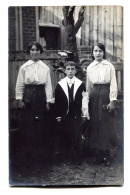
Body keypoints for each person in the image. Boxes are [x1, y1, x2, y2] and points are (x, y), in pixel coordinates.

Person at [15, 42, 53, 169]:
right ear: (29, 52)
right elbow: (20, 84)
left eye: (37, 50)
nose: (35, 52)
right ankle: (28, 158)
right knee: (28, 126)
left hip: (41, 96)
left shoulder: (45, 68)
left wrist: (48, 101)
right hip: (29, 95)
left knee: (40, 126)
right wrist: (20, 99)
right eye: (32, 50)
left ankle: (41, 158)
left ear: (40, 52)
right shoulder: (24, 67)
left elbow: (48, 85)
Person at [86, 43, 118, 166]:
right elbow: (88, 86)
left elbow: (113, 83)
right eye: (95, 51)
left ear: (103, 52)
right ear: (92, 53)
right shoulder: (90, 67)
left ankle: (106, 154)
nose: (98, 53)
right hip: (94, 95)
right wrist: (86, 102)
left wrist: (112, 100)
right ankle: (98, 154)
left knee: (105, 123)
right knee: (95, 124)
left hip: (105, 94)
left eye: (100, 51)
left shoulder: (109, 66)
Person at [55, 61, 89, 163]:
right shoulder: (60, 85)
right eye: (68, 69)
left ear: (76, 70)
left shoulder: (80, 84)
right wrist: (58, 116)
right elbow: (58, 102)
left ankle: (76, 157)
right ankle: (66, 156)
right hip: (65, 114)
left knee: (76, 134)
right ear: (65, 71)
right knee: (66, 134)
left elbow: (84, 100)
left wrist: (84, 114)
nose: (70, 71)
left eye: (72, 69)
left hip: (76, 114)